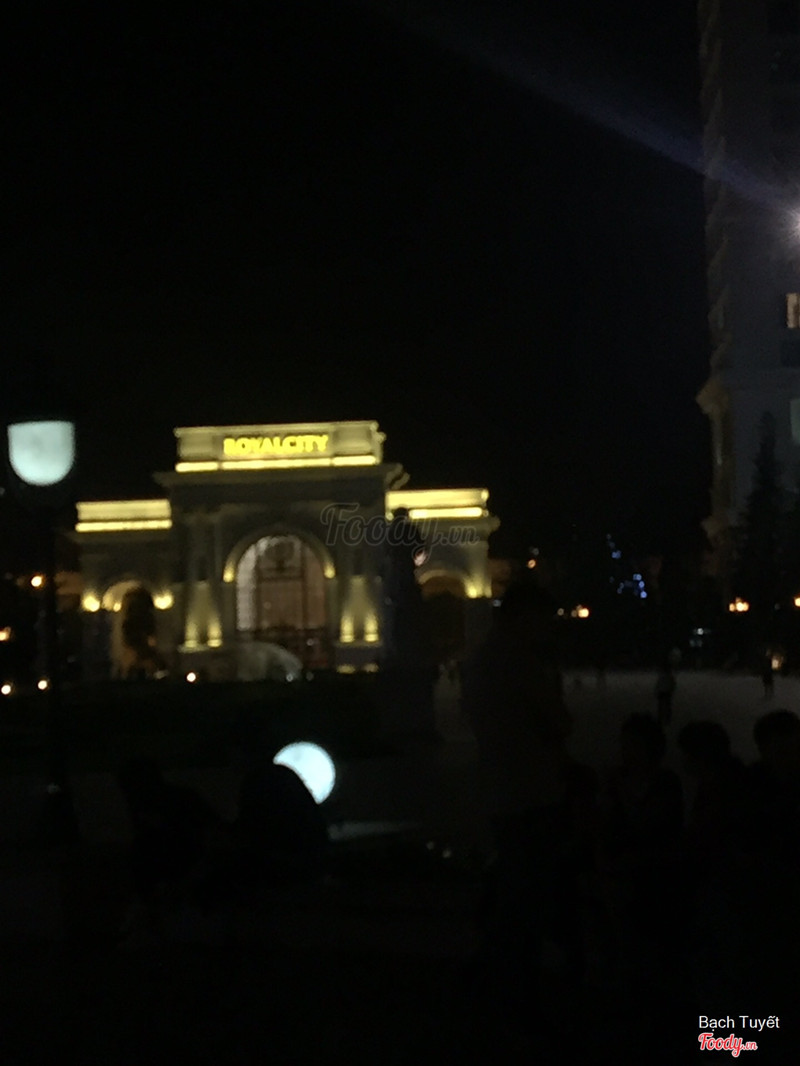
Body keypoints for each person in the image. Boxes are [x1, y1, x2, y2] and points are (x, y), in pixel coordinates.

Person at [461, 578, 572, 1025]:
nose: (549, 629)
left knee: (514, 893)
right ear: (524, 618)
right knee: (529, 898)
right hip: (532, 792)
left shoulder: (480, 662)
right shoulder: (520, 664)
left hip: (503, 791)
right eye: (544, 620)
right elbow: (557, 722)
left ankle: (501, 989)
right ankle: (518, 995)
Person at [193, 720, 329, 909]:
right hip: (305, 865)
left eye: (232, 752)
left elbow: (254, 835)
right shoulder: (280, 776)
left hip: (287, 868)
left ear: (243, 752)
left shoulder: (260, 782)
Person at [116, 756, 219, 939]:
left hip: (187, 885)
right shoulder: (155, 806)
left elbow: (211, 838)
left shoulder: (163, 806)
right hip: (181, 885)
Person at [654, 661, 676, 726]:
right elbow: (673, 684)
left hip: (663, 691)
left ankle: (662, 718)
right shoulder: (669, 675)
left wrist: (656, 690)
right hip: (666, 691)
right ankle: (666, 718)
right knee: (666, 706)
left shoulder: (663, 675)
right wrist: (672, 689)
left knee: (662, 706)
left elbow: (658, 683)